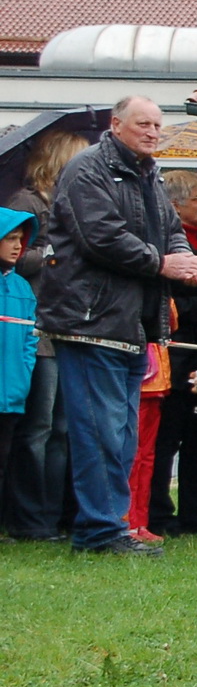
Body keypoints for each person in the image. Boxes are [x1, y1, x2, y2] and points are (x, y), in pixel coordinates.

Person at [35, 97, 197, 555]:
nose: (153, 132)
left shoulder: (149, 174)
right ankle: (99, 530)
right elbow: (101, 238)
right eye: (143, 124)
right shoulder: (87, 170)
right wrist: (164, 264)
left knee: (123, 433)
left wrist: (186, 261)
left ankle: (112, 525)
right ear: (116, 125)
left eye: (157, 125)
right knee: (101, 431)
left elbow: (170, 229)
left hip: (134, 323)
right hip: (90, 320)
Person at [3, 130, 84, 541]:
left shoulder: (70, 204)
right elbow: (16, 255)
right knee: (38, 429)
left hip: (64, 327)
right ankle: (30, 516)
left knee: (62, 430)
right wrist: (53, 253)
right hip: (35, 331)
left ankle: (54, 513)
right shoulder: (27, 202)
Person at [148, 169, 197, 536]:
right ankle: (158, 512)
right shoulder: (164, 245)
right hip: (175, 352)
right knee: (167, 437)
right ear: (174, 206)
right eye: (196, 197)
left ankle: (196, 513)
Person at [0, 210, 40, 534]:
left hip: (11, 393)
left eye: (20, 239)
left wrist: (23, 376)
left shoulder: (22, 287)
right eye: (10, 238)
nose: (17, 246)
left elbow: (30, 339)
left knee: (4, 460)